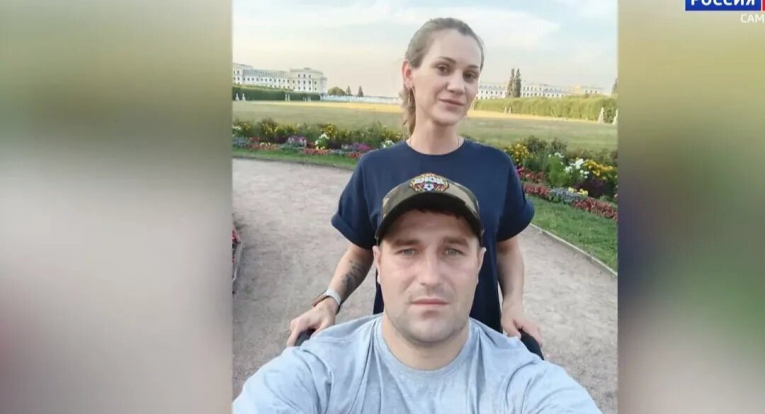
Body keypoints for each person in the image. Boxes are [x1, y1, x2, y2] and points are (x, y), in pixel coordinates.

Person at [235, 174, 601, 413]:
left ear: (479, 264)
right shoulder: (319, 372)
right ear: (379, 263)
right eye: (408, 250)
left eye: (452, 251)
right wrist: (330, 298)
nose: (430, 277)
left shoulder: (524, 382)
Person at [287, 17, 543, 348]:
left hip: (479, 350)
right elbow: (360, 253)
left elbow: (506, 249)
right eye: (443, 68)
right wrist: (329, 301)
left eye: (469, 75)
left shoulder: (496, 167)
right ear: (409, 74)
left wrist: (513, 305)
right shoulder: (375, 168)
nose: (458, 86)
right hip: (396, 351)